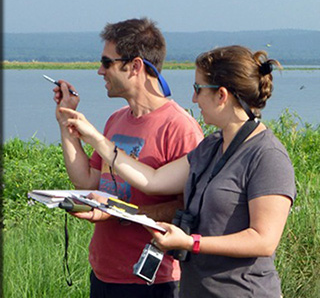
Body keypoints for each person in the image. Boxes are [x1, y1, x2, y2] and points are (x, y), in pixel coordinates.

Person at [60, 44, 297, 297]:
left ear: (222, 95)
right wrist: (96, 140)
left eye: (198, 89)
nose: (193, 99)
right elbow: (152, 180)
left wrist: (190, 242)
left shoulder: (267, 156)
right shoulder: (211, 146)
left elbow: (263, 240)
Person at [54, 18, 204, 298]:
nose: (100, 71)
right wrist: (66, 122)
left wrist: (120, 213)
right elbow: (86, 180)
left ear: (135, 66)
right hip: (104, 272)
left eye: (107, 62)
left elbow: (190, 207)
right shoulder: (116, 119)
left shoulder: (180, 127)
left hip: (153, 280)